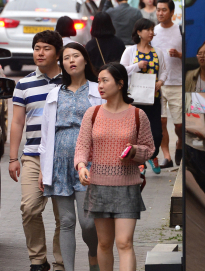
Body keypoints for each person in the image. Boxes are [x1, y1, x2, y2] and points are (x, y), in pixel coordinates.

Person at [75, 63, 154, 271]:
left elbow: (149, 149)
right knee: (104, 243)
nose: (100, 85)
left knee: (124, 242)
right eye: (98, 81)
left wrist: (134, 151)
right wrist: (82, 166)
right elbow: (82, 146)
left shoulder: (138, 114)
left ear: (120, 84)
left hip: (127, 186)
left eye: (105, 80)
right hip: (98, 186)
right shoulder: (92, 113)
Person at [39, 42, 102, 271]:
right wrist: (44, 170)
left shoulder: (97, 90)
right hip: (59, 164)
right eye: (66, 58)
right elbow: (46, 134)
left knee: (87, 223)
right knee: (65, 222)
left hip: (88, 163)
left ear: (85, 59)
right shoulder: (55, 93)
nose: (71, 61)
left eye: (76, 56)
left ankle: (94, 254)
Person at [10, 30, 65, 271]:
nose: (40, 53)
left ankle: (62, 261)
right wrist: (13, 158)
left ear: (58, 53)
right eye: (36, 48)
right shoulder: (23, 84)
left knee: (65, 217)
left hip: (63, 156)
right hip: (33, 156)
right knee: (30, 208)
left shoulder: (70, 82)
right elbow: (17, 123)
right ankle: (38, 260)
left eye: (46, 48)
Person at [120, 18, 168, 174]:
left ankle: (151, 155)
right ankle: (139, 161)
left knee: (157, 133)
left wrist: (160, 82)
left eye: (152, 30)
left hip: (153, 98)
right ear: (139, 32)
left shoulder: (157, 52)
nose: (151, 33)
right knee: (135, 132)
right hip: (135, 99)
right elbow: (121, 70)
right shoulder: (130, 51)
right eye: (148, 29)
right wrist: (137, 66)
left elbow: (164, 70)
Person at [152, 0, 183, 169]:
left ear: (171, 12)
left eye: (164, 10)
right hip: (158, 84)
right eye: (158, 10)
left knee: (179, 124)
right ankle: (167, 156)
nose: (160, 13)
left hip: (177, 82)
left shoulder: (180, 30)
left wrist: (179, 54)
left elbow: (194, 54)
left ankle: (179, 142)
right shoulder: (153, 31)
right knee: (161, 122)